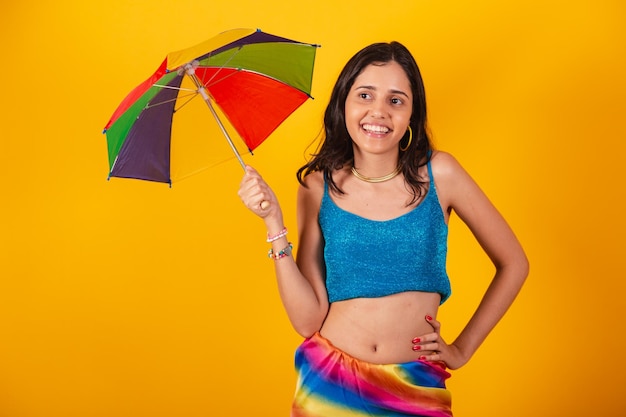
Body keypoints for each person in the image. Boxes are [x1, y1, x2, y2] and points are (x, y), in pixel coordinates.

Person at [238, 41, 528, 417]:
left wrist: (461, 349)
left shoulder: (442, 174)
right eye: (365, 95)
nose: (378, 111)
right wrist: (273, 223)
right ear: (344, 103)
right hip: (330, 386)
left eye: (396, 100)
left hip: (415, 387)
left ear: (412, 113)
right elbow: (308, 320)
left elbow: (514, 263)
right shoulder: (315, 187)